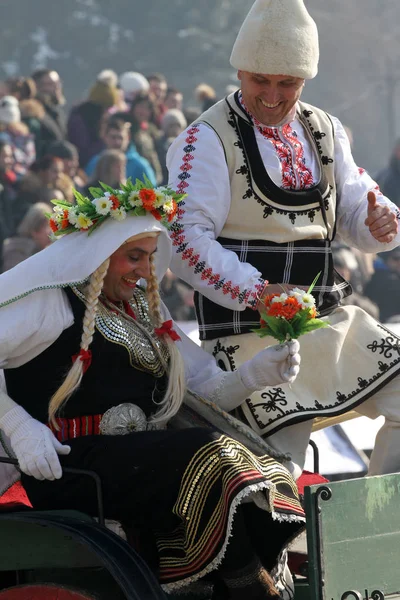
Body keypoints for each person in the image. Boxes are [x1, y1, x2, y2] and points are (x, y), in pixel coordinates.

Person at [0, 180, 303, 600]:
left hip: (135, 463)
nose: (144, 269)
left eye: (150, 257)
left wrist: (253, 376)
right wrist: (17, 427)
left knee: (257, 463)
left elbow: (195, 397)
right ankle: (253, 589)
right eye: (133, 256)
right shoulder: (50, 302)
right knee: (212, 455)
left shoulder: (145, 310)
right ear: (97, 256)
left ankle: (237, 583)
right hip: (69, 468)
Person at [167, 0, 400, 483]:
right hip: (249, 336)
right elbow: (186, 243)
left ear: (306, 79)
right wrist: (257, 292)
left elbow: (356, 210)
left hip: (327, 322)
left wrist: (380, 225)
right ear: (239, 71)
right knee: (278, 466)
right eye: (259, 81)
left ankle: (373, 533)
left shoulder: (325, 129)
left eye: (287, 83)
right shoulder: (204, 139)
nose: (271, 95)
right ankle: (290, 555)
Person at [84, 118, 156, 185]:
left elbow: (151, 192)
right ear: (105, 137)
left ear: (128, 138)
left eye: (120, 138)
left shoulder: (140, 165)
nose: (117, 142)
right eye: (113, 137)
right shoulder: (95, 162)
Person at [2, 202, 52, 272]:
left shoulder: (45, 249)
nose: (52, 232)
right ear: (35, 230)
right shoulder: (17, 251)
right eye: (48, 226)